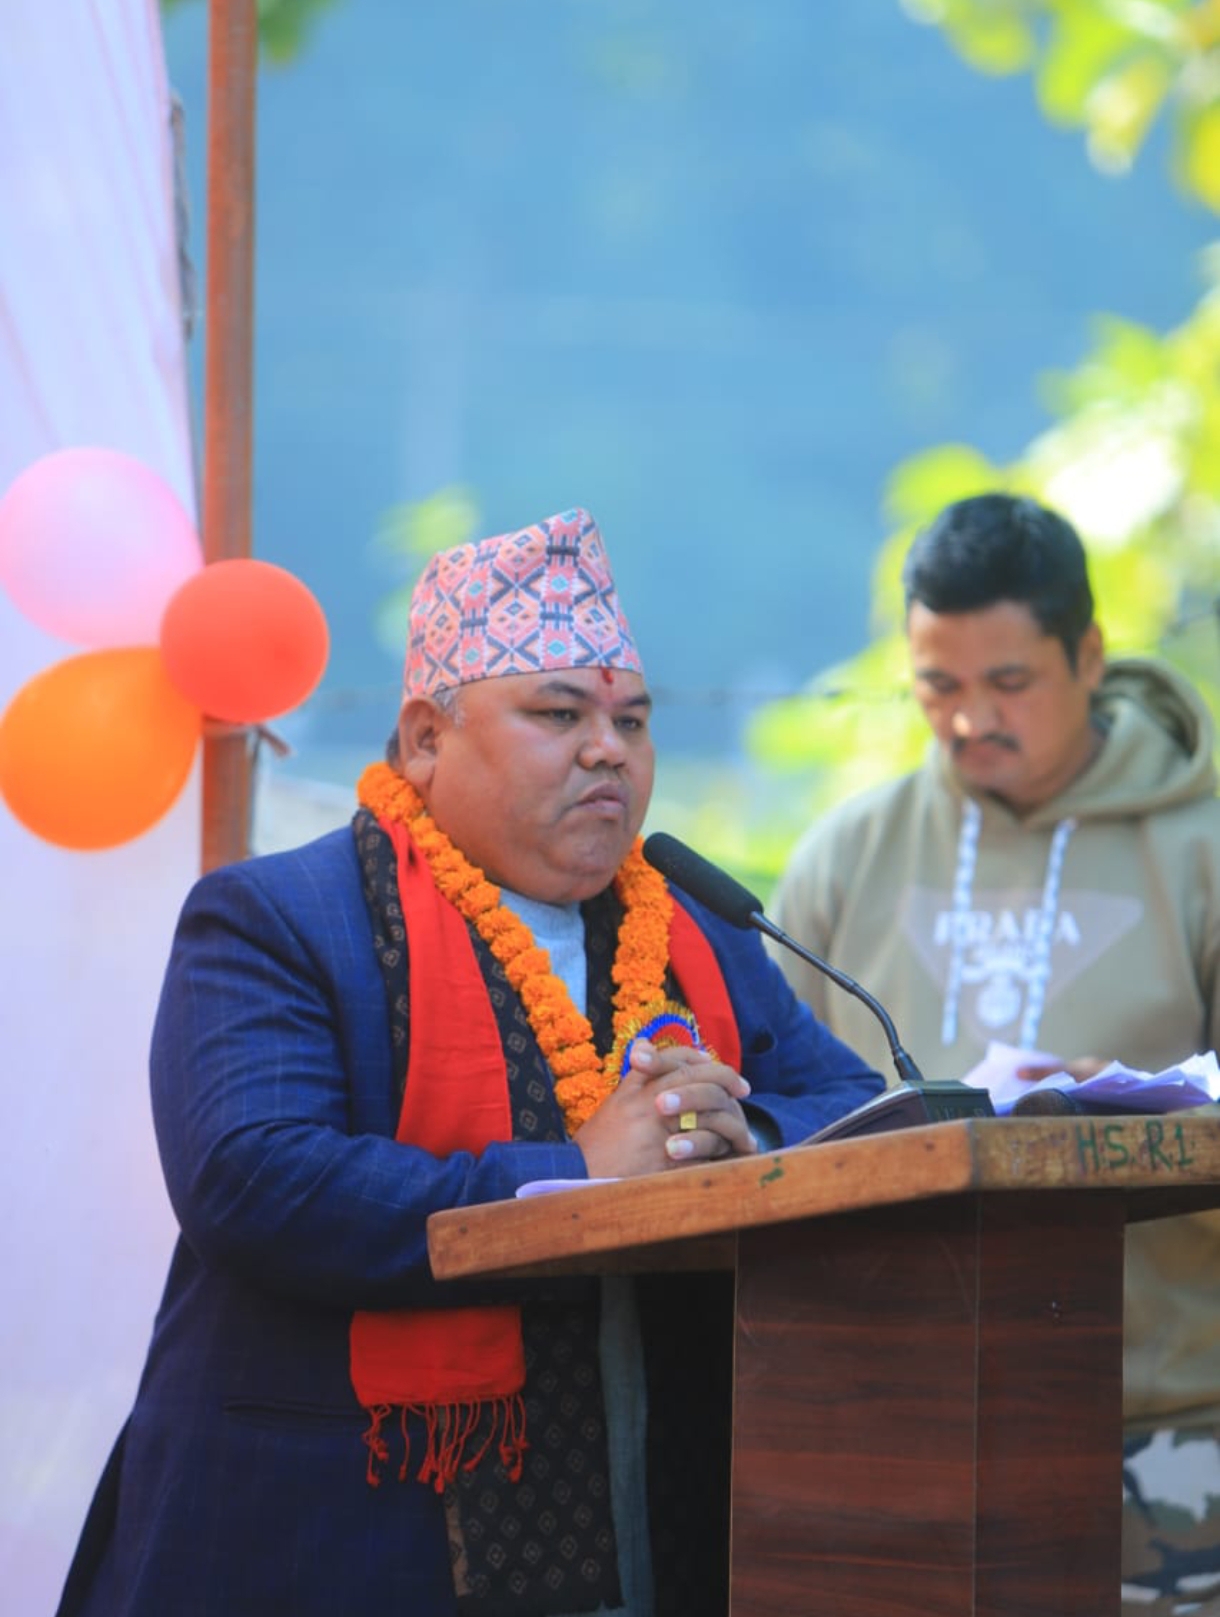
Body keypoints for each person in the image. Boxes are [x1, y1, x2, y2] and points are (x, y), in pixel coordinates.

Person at [56, 507, 884, 1617]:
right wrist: (577, 1177)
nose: (608, 749)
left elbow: (848, 1104)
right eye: (559, 713)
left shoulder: (701, 932)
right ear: (423, 739)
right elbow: (253, 1180)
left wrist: (736, 1142)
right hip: (337, 1531)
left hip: (667, 1523)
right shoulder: (279, 918)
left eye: (632, 722)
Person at [769, 491, 1220, 1616]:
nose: (971, 718)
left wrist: (1134, 1116)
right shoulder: (846, 856)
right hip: (889, 1414)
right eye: (938, 685)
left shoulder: (1201, 847)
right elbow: (767, 1117)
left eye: (1009, 681)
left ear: (1089, 655)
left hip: (1165, 1425)